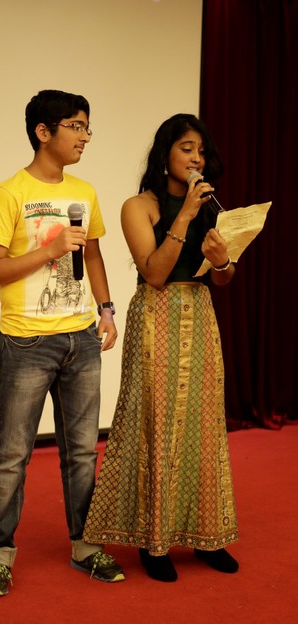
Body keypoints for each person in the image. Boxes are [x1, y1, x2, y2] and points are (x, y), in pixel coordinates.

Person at [0, 89, 125, 597]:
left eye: (87, 126)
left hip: (80, 339)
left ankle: (85, 545)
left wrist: (106, 310)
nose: (85, 136)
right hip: (25, 343)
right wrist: (51, 248)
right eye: (75, 126)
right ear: (44, 132)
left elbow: (94, 255)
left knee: (82, 452)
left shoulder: (85, 191)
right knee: (12, 455)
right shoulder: (8, 193)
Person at [83, 113, 239, 582]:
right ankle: (154, 542)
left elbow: (224, 278)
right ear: (165, 153)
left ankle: (206, 536)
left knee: (204, 428)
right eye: (187, 149)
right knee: (155, 425)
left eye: (201, 151)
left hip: (200, 314)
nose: (196, 159)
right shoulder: (139, 206)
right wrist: (186, 215)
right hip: (157, 316)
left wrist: (222, 262)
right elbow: (153, 273)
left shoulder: (211, 206)